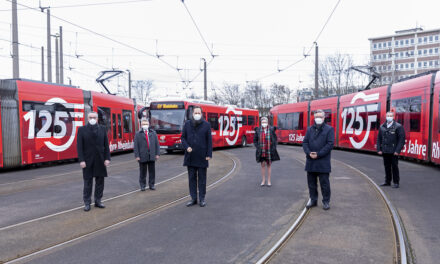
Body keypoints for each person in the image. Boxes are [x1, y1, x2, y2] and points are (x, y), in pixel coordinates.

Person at [77, 111, 111, 212]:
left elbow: (106, 145)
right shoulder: (82, 130)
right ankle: (87, 203)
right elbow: (79, 147)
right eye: (90, 117)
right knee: (87, 183)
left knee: (100, 182)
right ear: (87, 119)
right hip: (87, 161)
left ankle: (98, 201)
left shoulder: (102, 129)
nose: (92, 119)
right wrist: (81, 160)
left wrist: (107, 158)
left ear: (97, 119)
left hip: (100, 160)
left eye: (94, 117)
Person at [302, 109, 334, 210]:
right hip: (311, 160)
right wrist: (308, 152)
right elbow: (305, 143)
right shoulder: (309, 129)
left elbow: (329, 144)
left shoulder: (329, 129)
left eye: (320, 117)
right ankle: (313, 200)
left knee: (324, 183)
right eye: (316, 117)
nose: (318, 119)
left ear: (324, 118)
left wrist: (318, 154)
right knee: (311, 183)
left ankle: (326, 201)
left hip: (323, 161)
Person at [181, 106, 213, 207]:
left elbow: (209, 141)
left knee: (202, 179)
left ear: (201, 114)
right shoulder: (187, 124)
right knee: (192, 178)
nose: (197, 114)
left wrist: (209, 154)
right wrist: (187, 147)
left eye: (199, 113)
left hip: (202, 156)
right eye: (195, 113)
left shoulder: (206, 125)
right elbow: (183, 138)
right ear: (192, 113)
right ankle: (193, 198)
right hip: (190, 156)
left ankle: (202, 198)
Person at [377, 111, 405, 188]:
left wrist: (397, 150)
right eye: (388, 115)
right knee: (387, 166)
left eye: (391, 115)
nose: (389, 117)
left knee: (394, 167)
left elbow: (401, 140)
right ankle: (387, 181)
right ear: (386, 116)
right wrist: (379, 149)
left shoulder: (398, 126)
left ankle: (396, 182)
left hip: (394, 151)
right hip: (385, 150)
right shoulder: (382, 126)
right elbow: (379, 138)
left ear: (393, 117)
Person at [134, 119, 160, 191]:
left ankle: (152, 185)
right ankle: (142, 185)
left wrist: (157, 154)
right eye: (143, 124)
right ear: (141, 125)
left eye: (146, 124)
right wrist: (137, 156)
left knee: (152, 171)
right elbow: (136, 146)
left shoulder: (153, 133)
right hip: (142, 156)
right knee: (142, 172)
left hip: (152, 155)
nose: (145, 125)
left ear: (148, 125)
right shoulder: (138, 134)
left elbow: (157, 144)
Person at [253, 116, 280, 187]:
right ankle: (263, 180)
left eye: (265, 122)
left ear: (267, 123)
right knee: (262, 165)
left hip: (269, 151)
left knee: (269, 165)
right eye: (262, 122)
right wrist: (258, 147)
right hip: (261, 151)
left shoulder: (271, 130)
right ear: (261, 123)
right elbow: (255, 140)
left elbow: (275, 140)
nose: (264, 123)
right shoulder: (258, 130)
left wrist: (273, 148)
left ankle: (269, 181)